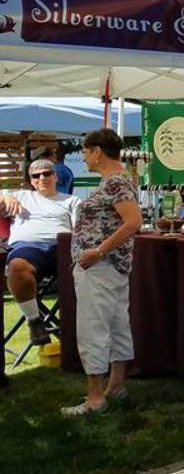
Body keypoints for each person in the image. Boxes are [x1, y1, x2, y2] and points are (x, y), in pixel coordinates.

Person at [63, 128, 141, 416]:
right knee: (117, 323)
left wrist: (97, 251)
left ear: (97, 151)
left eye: (85, 151)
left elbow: (133, 222)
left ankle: (95, 396)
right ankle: (116, 385)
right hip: (112, 267)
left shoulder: (115, 182)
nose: (83, 156)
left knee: (92, 327)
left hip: (100, 266)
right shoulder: (118, 180)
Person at [1, 158, 80, 346]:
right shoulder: (20, 196)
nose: (42, 178)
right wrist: (4, 197)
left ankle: (80, 333)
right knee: (16, 267)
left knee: (87, 271)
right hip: (28, 247)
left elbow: (79, 230)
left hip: (62, 247)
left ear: (56, 176)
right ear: (31, 181)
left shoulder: (71, 200)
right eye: (36, 176)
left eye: (47, 173)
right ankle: (35, 321)